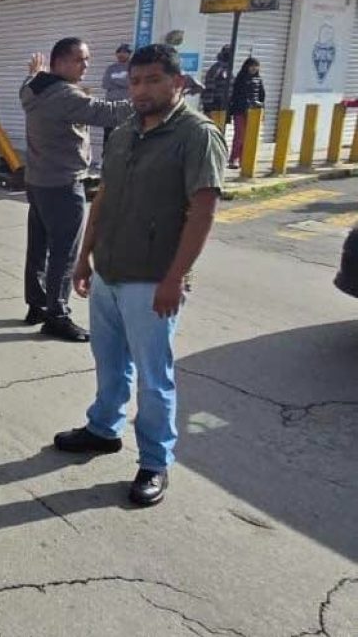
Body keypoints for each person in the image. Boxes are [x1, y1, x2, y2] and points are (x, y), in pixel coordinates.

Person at [56, 44, 224, 507]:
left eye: (152, 80)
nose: (141, 89)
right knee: (109, 361)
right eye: (135, 81)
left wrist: (176, 278)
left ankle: (154, 461)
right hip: (109, 271)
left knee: (154, 377)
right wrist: (84, 255)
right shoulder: (127, 130)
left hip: (153, 279)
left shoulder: (197, 135)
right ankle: (103, 429)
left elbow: (202, 211)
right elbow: (104, 197)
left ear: (178, 82)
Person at [21, 38, 135, 342]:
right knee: (64, 252)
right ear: (58, 63)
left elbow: (32, 81)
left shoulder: (33, 88)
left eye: (87, 59)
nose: (86, 66)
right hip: (61, 183)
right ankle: (56, 314)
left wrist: (34, 74)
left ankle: (37, 304)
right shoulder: (64, 95)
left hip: (38, 181)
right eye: (79, 60)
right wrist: (148, 97)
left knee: (39, 246)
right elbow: (107, 113)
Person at [228, 57, 265, 168]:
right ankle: (234, 159)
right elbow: (235, 95)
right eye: (252, 65)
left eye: (256, 66)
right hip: (240, 111)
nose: (254, 68)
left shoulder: (259, 80)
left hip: (253, 112)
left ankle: (244, 159)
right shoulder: (240, 79)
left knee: (249, 137)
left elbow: (262, 96)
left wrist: (262, 110)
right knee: (239, 136)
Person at [101, 44, 132, 143]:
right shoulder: (111, 68)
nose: (121, 54)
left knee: (124, 133)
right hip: (109, 105)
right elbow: (105, 84)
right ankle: (106, 156)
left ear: (130, 54)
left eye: (124, 52)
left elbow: (130, 83)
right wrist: (122, 82)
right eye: (119, 52)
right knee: (108, 134)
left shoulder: (133, 68)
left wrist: (114, 80)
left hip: (125, 106)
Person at [200, 45, 233, 116]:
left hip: (224, 104)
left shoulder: (228, 68)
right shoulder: (217, 68)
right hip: (216, 104)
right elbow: (209, 86)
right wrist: (209, 105)